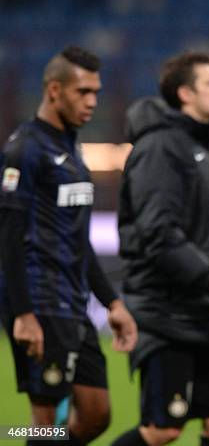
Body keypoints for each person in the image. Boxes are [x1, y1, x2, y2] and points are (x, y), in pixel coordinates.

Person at [0, 46, 138, 445]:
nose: (92, 102)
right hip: (40, 303)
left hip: (73, 301)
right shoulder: (25, 149)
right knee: (44, 421)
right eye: (83, 92)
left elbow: (79, 239)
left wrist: (112, 303)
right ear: (55, 90)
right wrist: (23, 313)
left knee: (97, 414)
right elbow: (8, 234)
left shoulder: (72, 150)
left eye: (96, 92)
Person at [112, 52, 209, 446]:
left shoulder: (204, 147)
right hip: (167, 315)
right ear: (185, 93)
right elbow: (158, 233)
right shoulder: (160, 148)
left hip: (205, 315)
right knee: (164, 429)